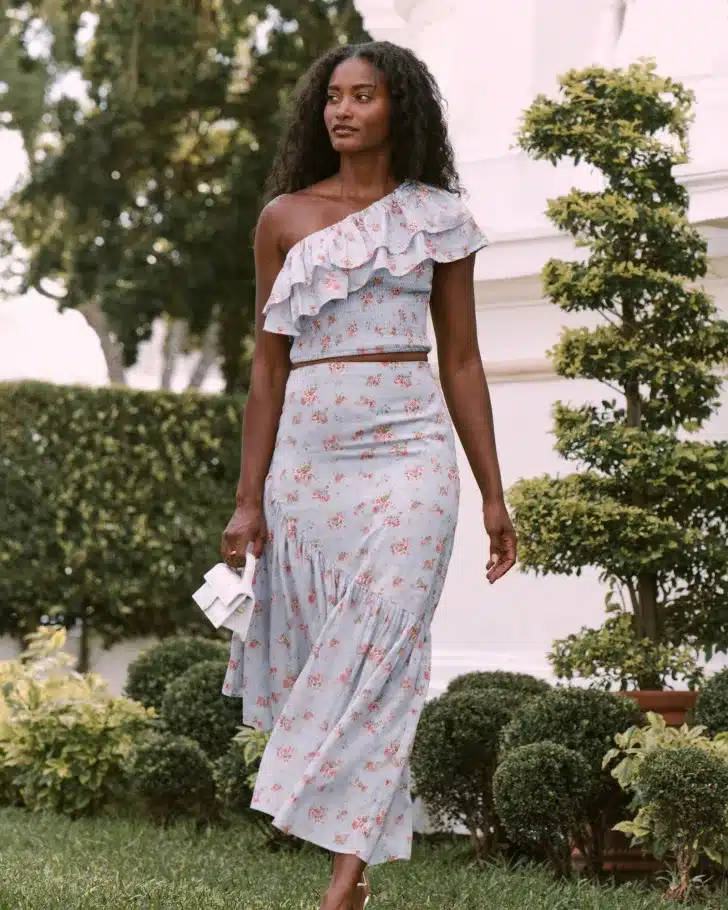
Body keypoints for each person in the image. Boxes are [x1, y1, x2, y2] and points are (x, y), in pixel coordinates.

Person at [220, 40, 517, 910]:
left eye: (364, 96)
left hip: (411, 448)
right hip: (311, 456)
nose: (343, 111)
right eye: (333, 98)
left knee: (390, 640)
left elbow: (462, 360)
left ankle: (344, 880)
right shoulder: (283, 218)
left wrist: (494, 492)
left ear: (400, 108)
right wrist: (247, 502)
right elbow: (267, 368)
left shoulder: (438, 217)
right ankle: (349, 852)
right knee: (332, 651)